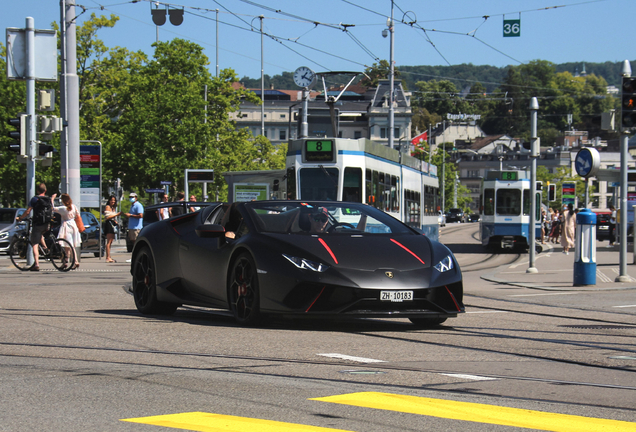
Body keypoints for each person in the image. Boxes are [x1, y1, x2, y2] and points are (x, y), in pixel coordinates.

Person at [16, 182, 51, 271]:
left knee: (34, 244)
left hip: (38, 223)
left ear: (37, 190)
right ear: (45, 190)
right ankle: (46, 248)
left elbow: (28, 211)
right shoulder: (48, 199)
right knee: (40, 235)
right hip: (47, 223)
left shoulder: (35, 199)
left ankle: (36, 264)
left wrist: (20, 218)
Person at [51, 193, 81, 269]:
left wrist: (52, 199)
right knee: (68, 246)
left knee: (69, 245)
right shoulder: (73, 207)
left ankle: (75, 261)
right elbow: (78, 215)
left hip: (66, 226)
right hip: (73, 225)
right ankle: (65, 262)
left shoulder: (63, 208)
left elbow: (53, 208)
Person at [103, 195, 121, 263]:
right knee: (109, 242)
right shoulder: (107, 207)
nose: (113, 201)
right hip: (109, 225)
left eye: (114, 200)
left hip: (112, 224)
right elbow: (107, 217)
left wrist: (115, 222)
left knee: (111, 241)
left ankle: (109, 256)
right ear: (109, 201)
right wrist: (117, 215)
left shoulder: (113, 208)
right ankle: (107, 257)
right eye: (111, 200)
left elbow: (112, 217)